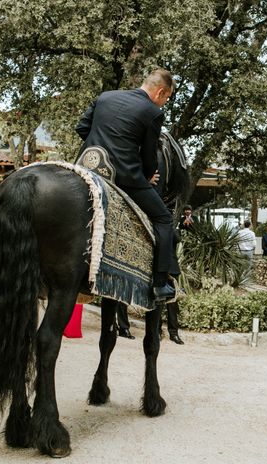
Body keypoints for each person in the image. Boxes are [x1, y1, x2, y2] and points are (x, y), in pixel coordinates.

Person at [76, 69, 177, 302]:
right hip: (123, 176)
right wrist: (147, 175)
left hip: (88, 165)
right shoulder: (152, 112)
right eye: (167, 99)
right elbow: (151, 159)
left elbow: (82, 127)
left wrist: (102, 150)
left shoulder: (105, 97)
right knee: (164, 219)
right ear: (161, 92)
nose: (164, 104)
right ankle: (160, 285)